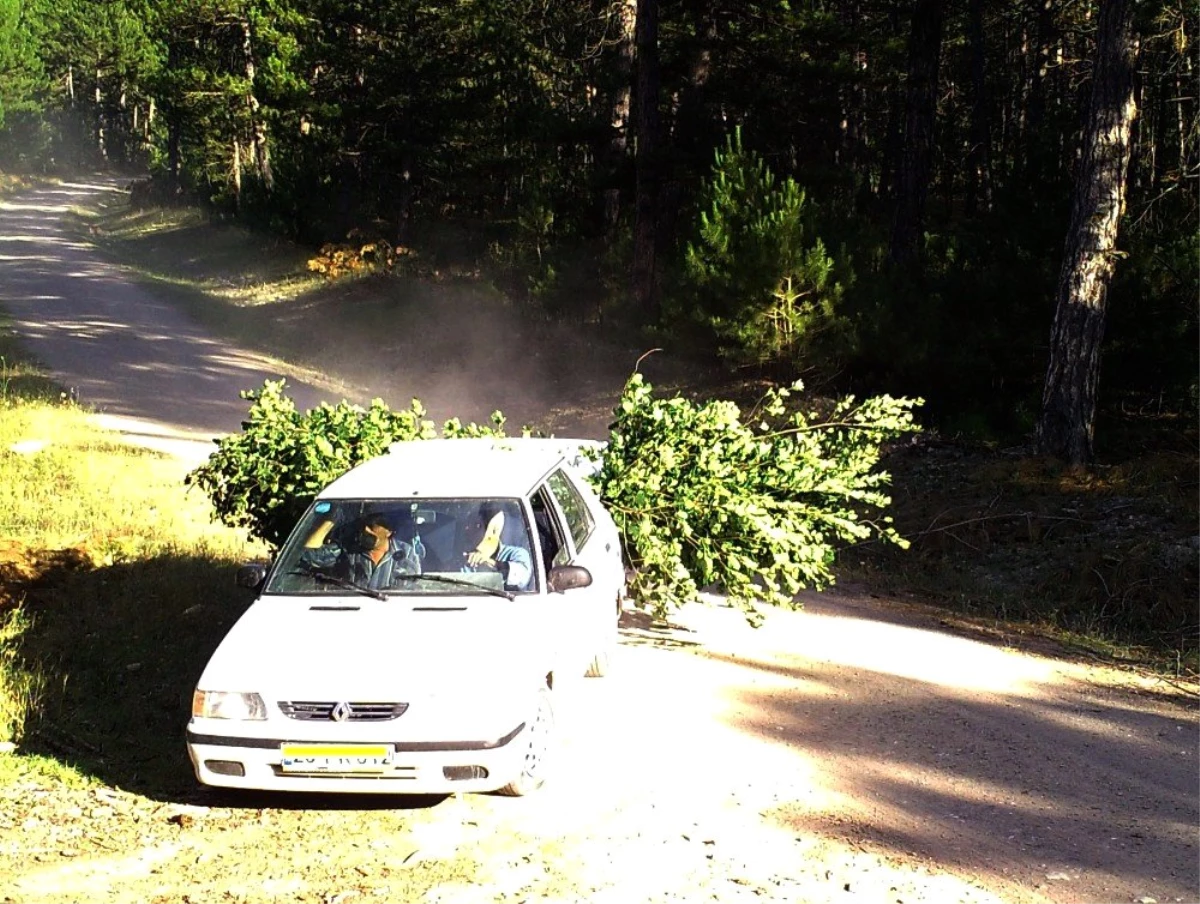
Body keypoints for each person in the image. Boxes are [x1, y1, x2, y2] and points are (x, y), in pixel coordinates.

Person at [299, 507, 423, 591]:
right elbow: (309, 556)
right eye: (363, 526)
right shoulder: (348, 548)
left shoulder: (406, 553)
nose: (365, 530)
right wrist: (331, 520)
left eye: (371, 527)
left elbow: (413, 587)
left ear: (389, 531)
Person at [461, 503, 533, 591]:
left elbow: (522, 577)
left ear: (493, 531)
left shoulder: (517, 554)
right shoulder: (463, 559)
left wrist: (489, 562)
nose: (468, 530)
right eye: (467, 525)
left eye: (477, 525)